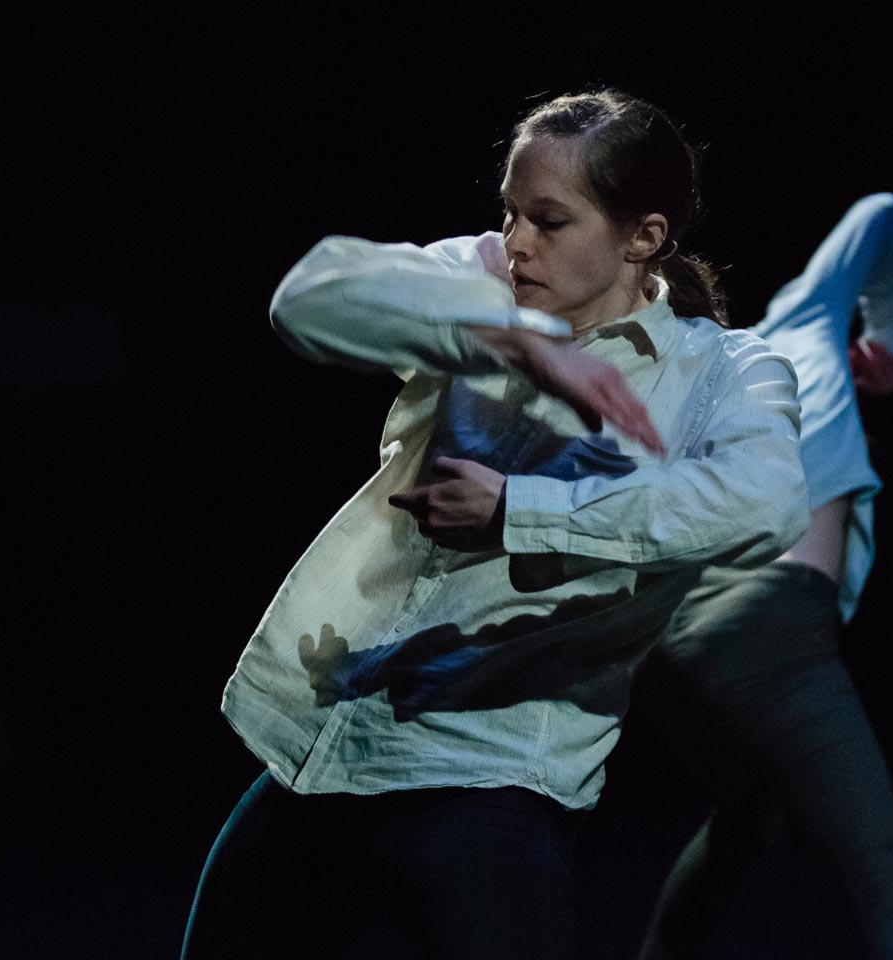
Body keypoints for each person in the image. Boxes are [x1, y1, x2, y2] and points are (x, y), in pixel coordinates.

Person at [180, 90, 809, 960]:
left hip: (495, 774)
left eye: (549, 221)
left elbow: (763, 504)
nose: (517, 242)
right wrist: (512, 337)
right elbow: (308, 295)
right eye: (509, 213)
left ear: (645, 237)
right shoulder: (484, 285)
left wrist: (524, 511)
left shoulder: (724, 372)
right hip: (333, 747)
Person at [632, 193, 893, 960]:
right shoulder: (799, 323)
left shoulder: (652, 394)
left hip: (668, 653)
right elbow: (884, 215)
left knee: (747, 815)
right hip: (768, 630)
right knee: (889, 886)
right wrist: (889, 340)